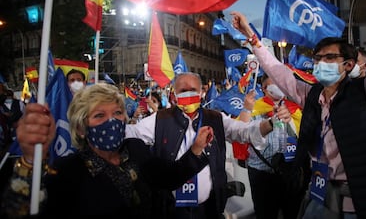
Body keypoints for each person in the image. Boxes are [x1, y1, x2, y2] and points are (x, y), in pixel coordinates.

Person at [230, 0, 366, 219]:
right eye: (317, 58)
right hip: (319, 199)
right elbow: (278, 71)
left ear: (348, 65)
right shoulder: (311, 95)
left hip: (364, 204)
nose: (320, 63)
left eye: (329, 58)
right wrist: (253, 39)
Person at [0, 83, 213, 218]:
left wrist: (196, 149)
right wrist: (30, 159)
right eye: (99, 116)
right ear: (82, 128)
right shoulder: (69, 170)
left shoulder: (136, 149)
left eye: (118, 113)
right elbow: (18, 210)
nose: (112, 121)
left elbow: (167, 177)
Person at [126, 72, 277, 219]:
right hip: (172, 208)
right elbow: (131, 133)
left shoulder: (216, 118)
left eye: (192, 90)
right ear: (175, 93)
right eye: (183, 91)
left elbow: (244, 131)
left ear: (202, 92)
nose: (187, 94)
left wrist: (270, 123)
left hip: (209, 207)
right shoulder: (159, 119)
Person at [245, 73, 306, 219]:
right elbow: (241, 131)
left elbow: (304, 135)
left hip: (289, 173)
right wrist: (247, 110)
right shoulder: (254, 108)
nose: (279, 87)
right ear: (264, 89)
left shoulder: (295, 109)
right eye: (274, 84)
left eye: (281, 83)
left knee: (293, 212)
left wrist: (290, 121)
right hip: (262, 174)